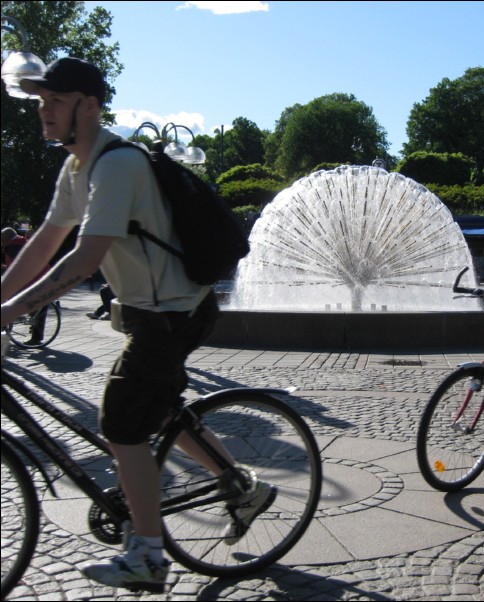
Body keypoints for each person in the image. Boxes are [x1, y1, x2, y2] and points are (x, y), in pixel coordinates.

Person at [0, 58, 272, 593]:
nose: (44, 111)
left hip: (173, 314)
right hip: (152, 312)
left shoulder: (117, 165)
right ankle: (241, 485)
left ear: (91, 105)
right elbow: (42, 246)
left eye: (56, 100)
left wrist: (11, 312)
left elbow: (84, 258)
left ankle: (147, 555)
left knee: (122, 422)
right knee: (161, 412)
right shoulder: (78, 167)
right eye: (40, 102)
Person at [2, 226, 50, 345]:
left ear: (5, 239)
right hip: (44, 276)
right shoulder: (24, 243)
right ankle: (36, 335)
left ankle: (8, 323)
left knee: (10, 298)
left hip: (32, 280)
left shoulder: (13, 247)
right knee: (40, 306)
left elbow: (14, 269)